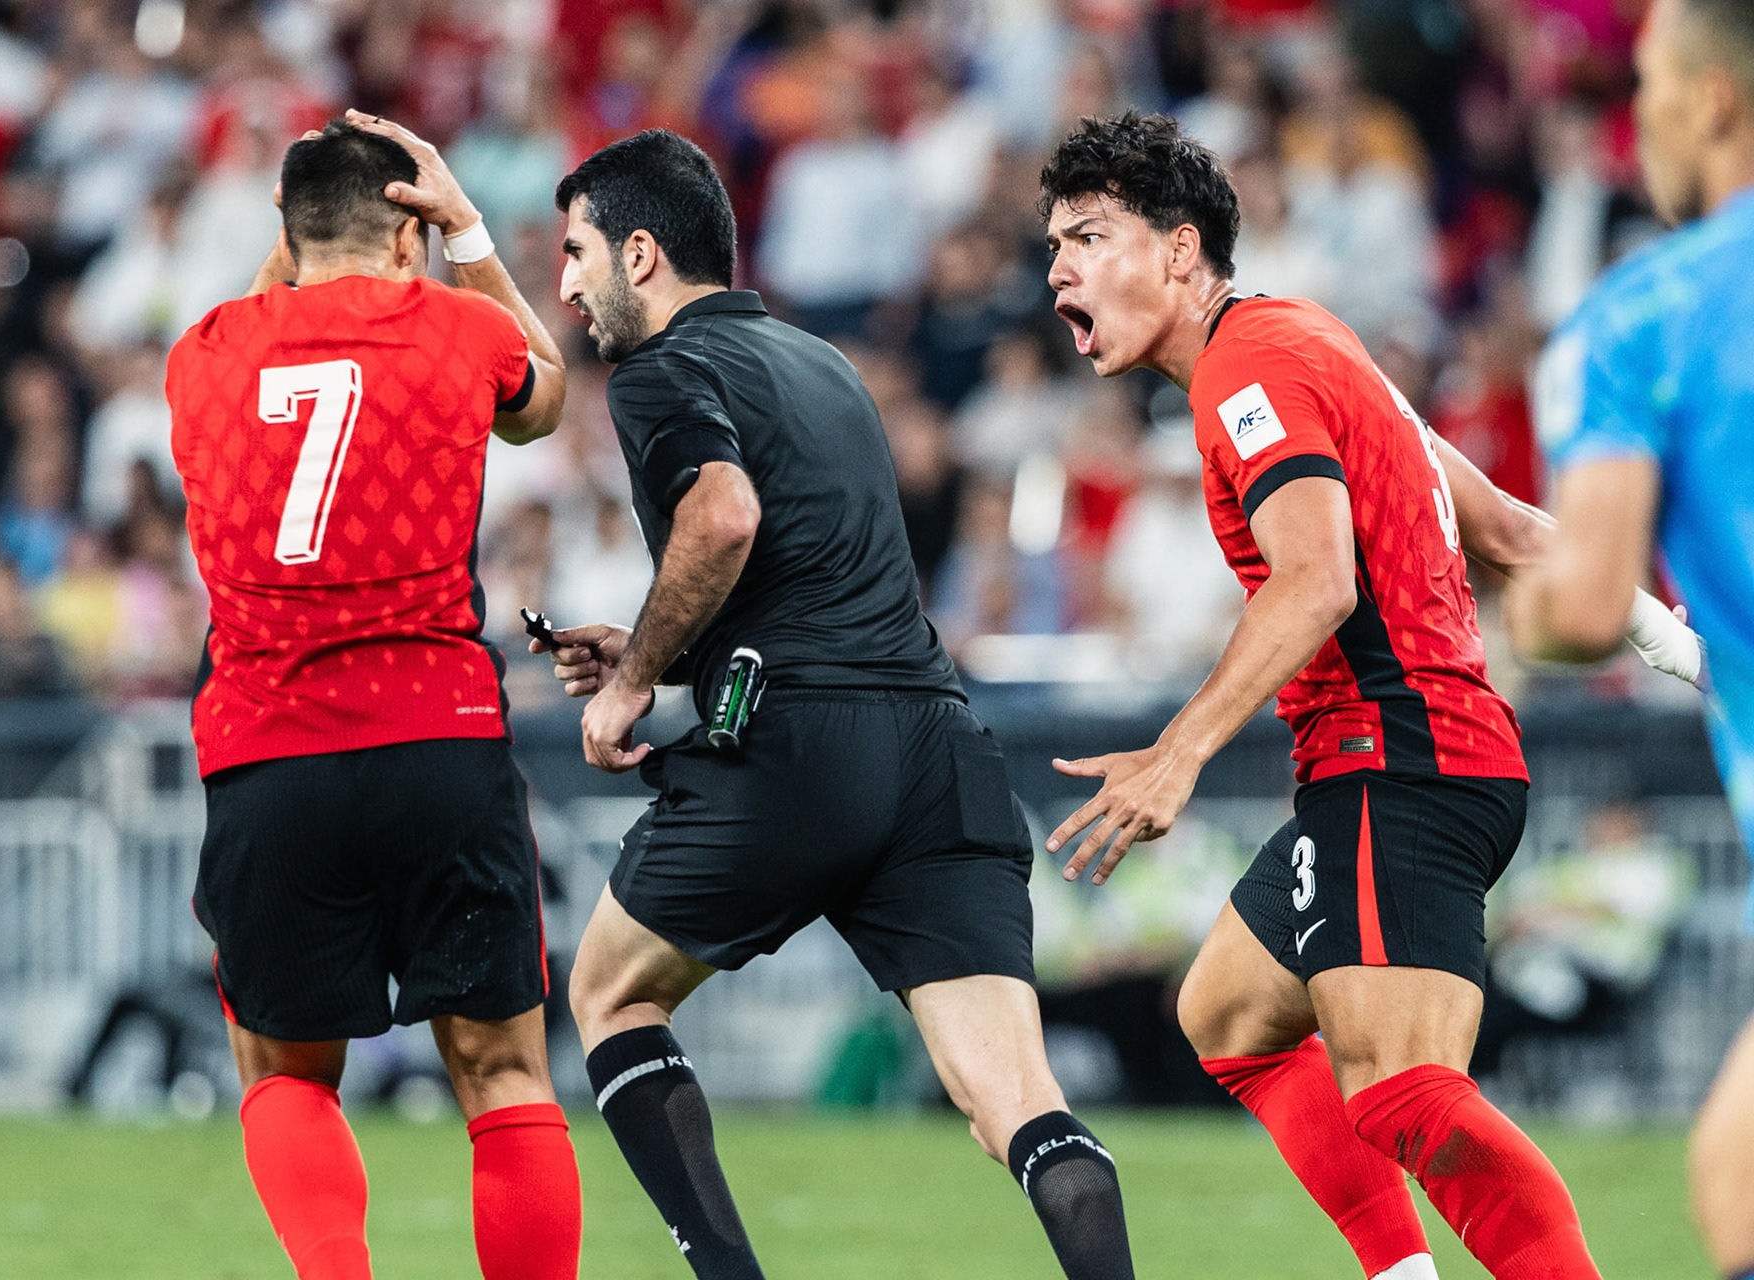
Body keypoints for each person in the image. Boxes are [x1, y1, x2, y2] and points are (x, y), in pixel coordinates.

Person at [1039, 111, 1697, 1280]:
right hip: (1422, 758)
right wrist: (1677, 645)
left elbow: (1318, 581)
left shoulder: (1248, 373)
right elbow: (1501, 524)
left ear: (1182, 252)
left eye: (1089, 237)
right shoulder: (1307, 339)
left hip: (1401, 760)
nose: (1059, 271)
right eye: (1054, 247)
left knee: (1403, 1091)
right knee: (1230, 1016)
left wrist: (1180, 751)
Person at [535, 128, 1135, 1280]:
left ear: (642, 254)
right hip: (937, 744)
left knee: (609, 990)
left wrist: (626, 687)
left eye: (576, 251)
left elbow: (723, 518)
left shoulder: (658, 370)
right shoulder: (826, 363)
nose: (566, 282)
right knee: (1018, 1101)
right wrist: (664, 644)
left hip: (800, 742)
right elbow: (812, 567)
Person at [166, 114, 579, 1280]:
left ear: (288, 239)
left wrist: (292, 250)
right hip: (440, 738)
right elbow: (544, 397)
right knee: (502, 1073)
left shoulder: (202, 353)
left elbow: (268, 299)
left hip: (270, 751)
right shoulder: (452, 327)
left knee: (287, 1073)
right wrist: (472, 237)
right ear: (407, 233)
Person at [1510, 0, 1754, 1273]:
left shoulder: (1645, 312)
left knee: (1737, 1179)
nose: (1634, 112)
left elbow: (1589, 602)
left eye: (1649, 80)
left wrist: (1518, 591)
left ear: (1712, 99)